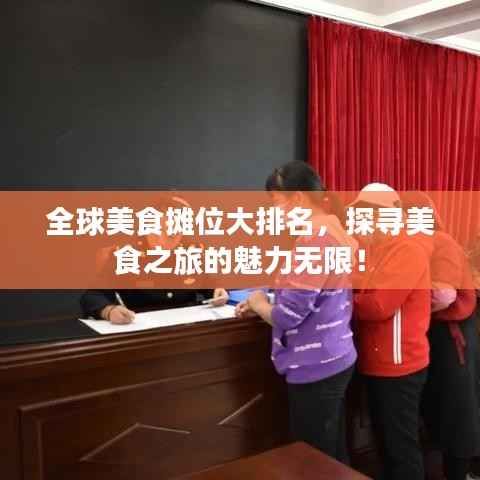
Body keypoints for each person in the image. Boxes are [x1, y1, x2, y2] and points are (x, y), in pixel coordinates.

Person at [236, 161, 357, 463]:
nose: (274, 211)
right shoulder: (333, 229)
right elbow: (311, 293)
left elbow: (288, 316)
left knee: (314, 460)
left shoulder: (314, 239)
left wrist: (258, 302)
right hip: (335, 353)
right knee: (332, 454)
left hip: (315, 363)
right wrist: (265, 301)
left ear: (299, 199)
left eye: (275, 202)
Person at [351, 183, 431, 480]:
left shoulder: (407, 250)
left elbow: (378, 306)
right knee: (384, 445)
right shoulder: (376, 249)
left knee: (401, 448)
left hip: (400, 365)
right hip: (377, 362)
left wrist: (339, 299)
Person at [402, 192, 480, 480]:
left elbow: (444, 295)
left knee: (457, 409)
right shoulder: (418, 243)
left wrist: (405, 300)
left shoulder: (441, 242)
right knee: (442, 407)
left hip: (452, 336)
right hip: (437, 333)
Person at [81, 195, 228, 323]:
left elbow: (210, 284)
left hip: (186, 330)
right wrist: (109, 311)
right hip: (144, 331)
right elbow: (92, 296)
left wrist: (218, 292)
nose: (172, 235)